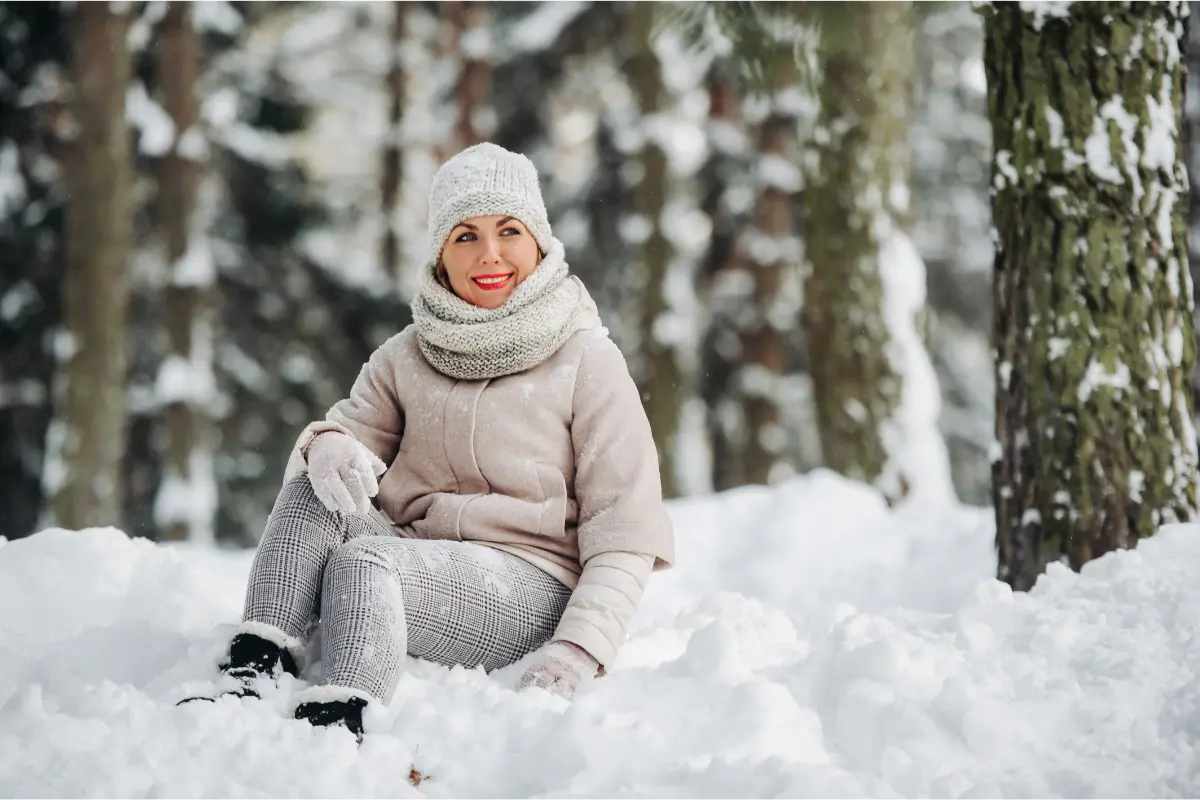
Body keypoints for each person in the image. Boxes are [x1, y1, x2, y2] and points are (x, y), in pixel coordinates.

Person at [185, 143, 675, 740]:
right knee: (319, 488)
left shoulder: (587, 360)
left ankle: (340, 720)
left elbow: (626, 530)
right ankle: (256, 668)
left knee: (366, 563)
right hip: (411, 555)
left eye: (509, 231)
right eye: (465, 235)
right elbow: (350, 437)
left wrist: (578, 649)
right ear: (441, 252)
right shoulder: (406, 355)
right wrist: (330, 444)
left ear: (540, 242)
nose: (490, 254)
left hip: (528, 584)